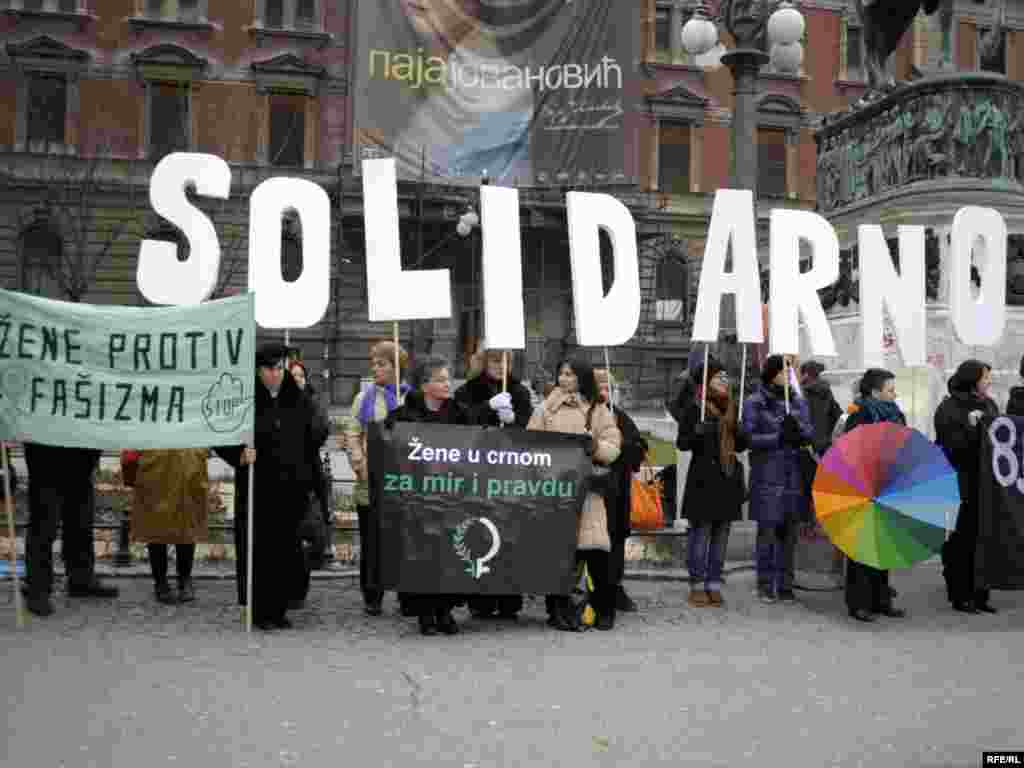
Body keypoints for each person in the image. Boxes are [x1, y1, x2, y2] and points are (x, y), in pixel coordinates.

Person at [215, 343, 321, 630]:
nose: (274, 375)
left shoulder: (297, 398)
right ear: (258, 371)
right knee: (258, 548)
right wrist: (238, 454)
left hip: (290, 488)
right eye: (268, 369)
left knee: (285, 549)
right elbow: (219, 430)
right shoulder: (245, 399)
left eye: (278, 369)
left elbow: (315, 433)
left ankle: (278, 608)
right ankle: (258, 609)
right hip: (257, 488)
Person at [528, 358, 622, 630]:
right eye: (561, 373)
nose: (564, 378)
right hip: (555, 491)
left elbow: (614, 445)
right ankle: (558, 610)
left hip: (588, 491)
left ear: (581, 377)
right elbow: (530, 444)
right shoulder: (545, 409)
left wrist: (594, 446)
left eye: (570, 374)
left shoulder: (597, 408)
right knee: (559, 556)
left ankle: (604, 609)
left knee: (596, 554)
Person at [387, 355, 469, 635]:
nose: (448, 384)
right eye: (441, 379)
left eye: (448, 379)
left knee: (448, 553)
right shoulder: (404, 414)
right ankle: (424, 612)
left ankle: (445, 610)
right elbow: (388, 445)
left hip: (450, 496)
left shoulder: (459, 413)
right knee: (422, 553)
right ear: (424, 385)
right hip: (418, 498)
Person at [454, 345, 533, 620]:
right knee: (479, 533)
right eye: (495, 359)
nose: (500, 365)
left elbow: (531, 433)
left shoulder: (520, 391)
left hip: (510, 475)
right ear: (483, 361)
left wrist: (513, 421)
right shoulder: (467, 391)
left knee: (510, 533)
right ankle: (480, 599)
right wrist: (488, 408)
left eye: (505, 360)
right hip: (478, 472)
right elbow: (459, 424)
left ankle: (509, 599)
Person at [341, 341, 410, 616]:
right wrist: (358, 461)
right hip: (370, 478)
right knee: (372, 540)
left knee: (403, 539)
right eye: (374, 363)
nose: (376, 368)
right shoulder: (364, 399)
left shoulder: (408, 398)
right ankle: (372, 593)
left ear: (397, 367)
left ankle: (407, 594)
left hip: (403, 480)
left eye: (382, 363)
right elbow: (352, 431)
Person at [742, 354, 813, 604]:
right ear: (772, 374)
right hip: (768, 474)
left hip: (792, 473)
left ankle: (785, 583)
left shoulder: (797, 401)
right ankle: (764, 583)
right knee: (768, 531)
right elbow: (748, 438)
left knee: (789, 532)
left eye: (790, 371)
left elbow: (808, 431)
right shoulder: (755, 402)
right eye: (784, 372)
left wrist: (799, 433)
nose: (789, 376)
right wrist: (777, 437)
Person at [678, 358, 749, 608]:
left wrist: (741, 433)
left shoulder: (733, 407)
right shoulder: (694, 407)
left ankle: (714, 583)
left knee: (721, 535)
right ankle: (697, 584)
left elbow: (741, 445)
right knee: (702, 534)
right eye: (719, 376)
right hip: (703, 480)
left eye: (726, 376)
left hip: (727, 478)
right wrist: (697, 433)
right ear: (706, 381)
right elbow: (682, 443)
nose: (724, 380)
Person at [22, 443, 119, 617]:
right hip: (46, 462)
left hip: (80, 461)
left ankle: (81, 579)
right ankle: (37, 588)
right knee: (43, 529)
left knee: (81, 525)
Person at [842, 369, 907, 622]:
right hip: (864, 484)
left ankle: (881, 599)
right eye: (890, 390)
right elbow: (850, 449)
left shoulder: (896, 414)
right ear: (875, 391)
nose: (895, 393)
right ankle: (859, 602)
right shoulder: (860, 414)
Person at [935, 359, 1000, 614]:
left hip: (986, 483)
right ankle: (960, 594)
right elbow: (951, 447)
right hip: (959, 482)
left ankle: (981, 593)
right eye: (985, 377)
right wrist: (972, 428)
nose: (989, 382)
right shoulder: (949, 408)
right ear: (972, 379)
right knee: (961, 539)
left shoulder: (990, 404)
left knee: (984, 537)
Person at [594, 367, 647, 613]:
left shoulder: (621, 418)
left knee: (615, 541)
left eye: (608, 388)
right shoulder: (587, 415)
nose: (604, 393)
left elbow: (636, 451)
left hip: (617, 491)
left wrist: (624, 446)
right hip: (593, 492)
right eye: (600, 388)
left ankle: (614, 586)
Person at [131, 449, 209, 604]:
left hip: (186, 456)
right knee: (156, 523)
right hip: (158, 456)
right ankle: (161, 582)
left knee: (186, 521)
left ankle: (183, 579)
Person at [287, 360, 331, 609]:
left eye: (300, 376)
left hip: (309, 475)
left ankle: (301, 588)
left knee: (309, 534)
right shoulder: (278, 404)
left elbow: (320, 431)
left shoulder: (313, 404)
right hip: (284, 477)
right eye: (292, 375)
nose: (296, 379)